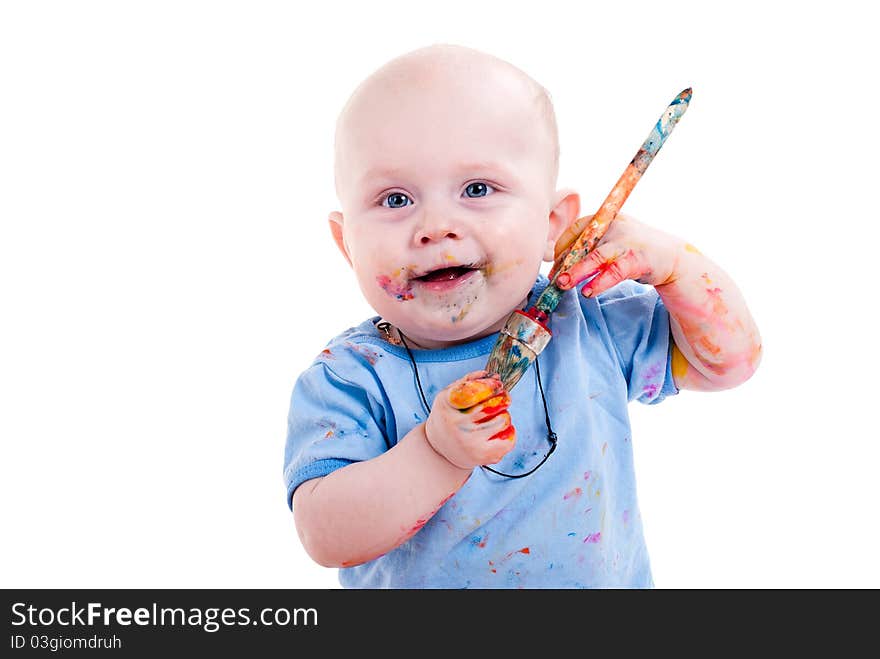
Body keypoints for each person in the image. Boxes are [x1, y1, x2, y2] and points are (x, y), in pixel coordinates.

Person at [282, 44, 761, 588]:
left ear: (552, 222)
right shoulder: (350, 377)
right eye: (395, 200)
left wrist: (676, 266)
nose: (436, 225)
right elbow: (326, 536)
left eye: (478, 189)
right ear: (347, 245)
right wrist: (437, 452)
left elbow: (728, 363)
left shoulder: (588, 325)